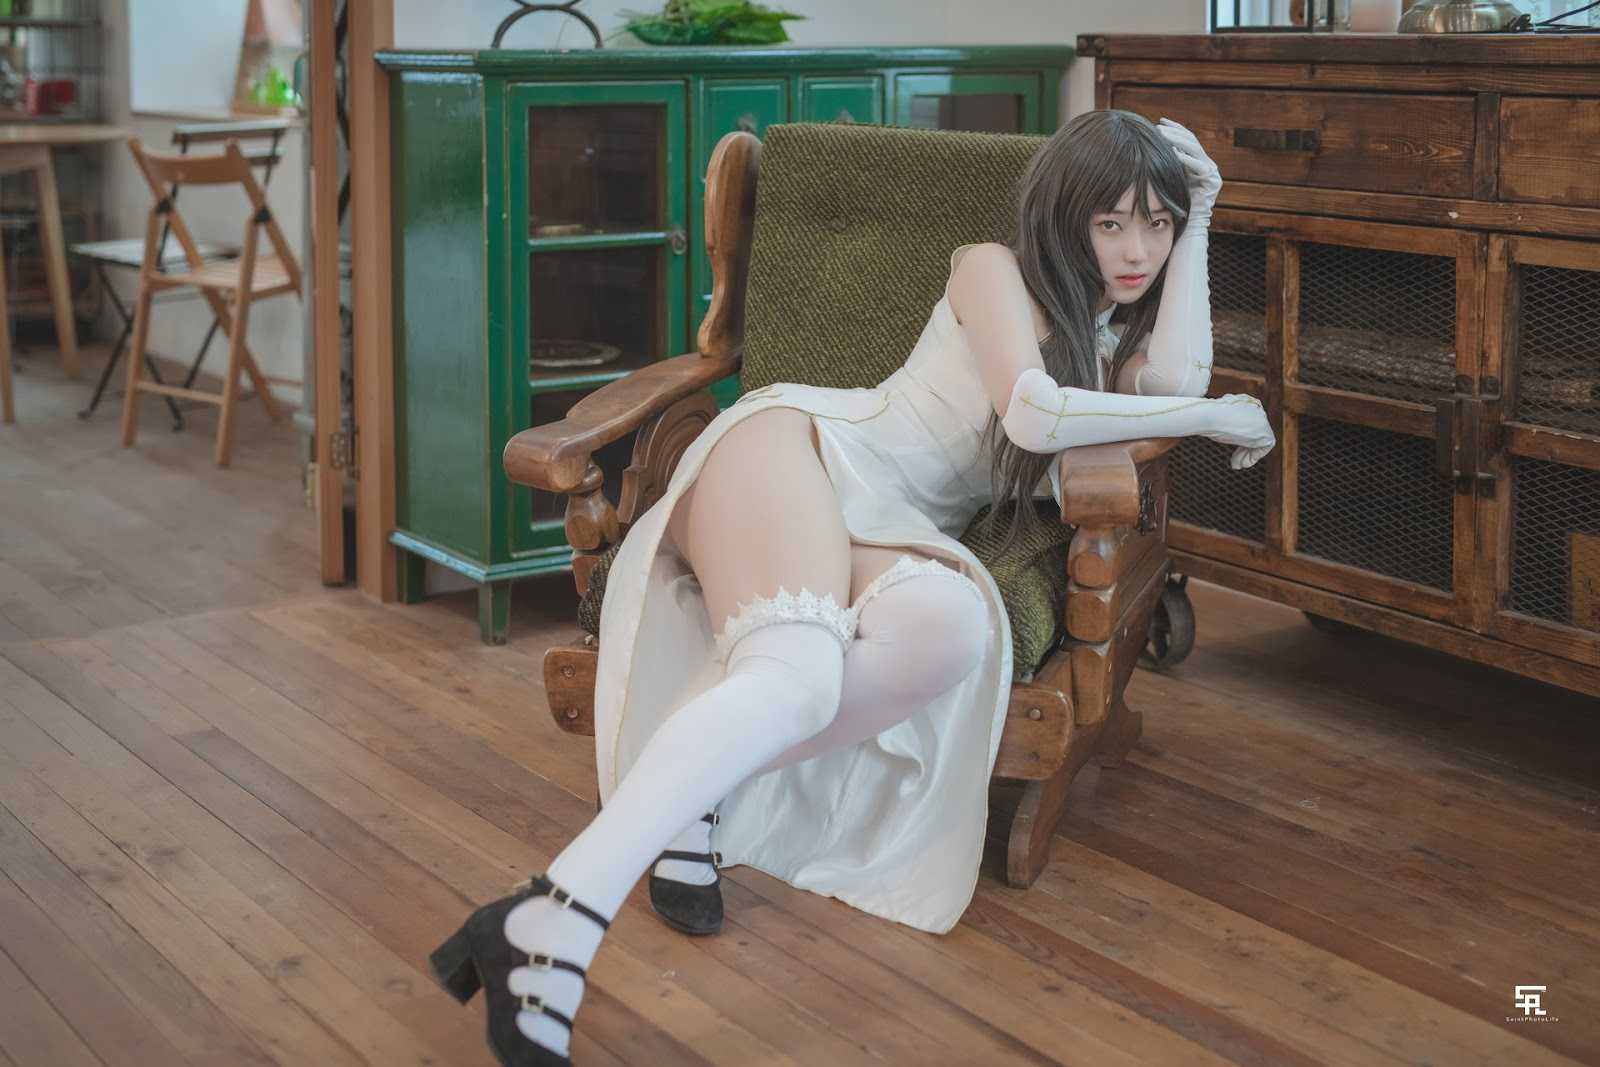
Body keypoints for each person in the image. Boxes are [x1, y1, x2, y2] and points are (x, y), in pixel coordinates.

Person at [430, 110, 1275, 1066]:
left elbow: (1175, 372)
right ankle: (552, 919)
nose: (1137, 251)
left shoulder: (1105, 339)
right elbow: (1034, 416)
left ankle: (698, 796)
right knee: (799, 675)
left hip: (885, 524)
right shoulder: (991, 268)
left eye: (1156, 225)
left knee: (952, 628)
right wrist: (1212, 415)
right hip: (805, 449)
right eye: (1111, 222)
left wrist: (1205, 212)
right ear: (1063, 214)